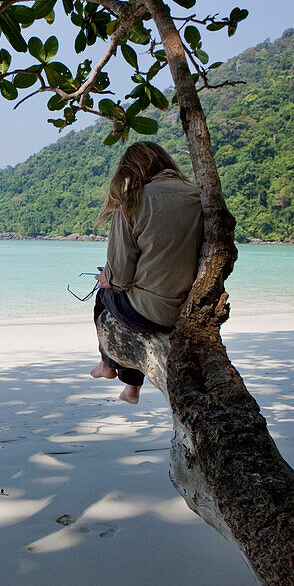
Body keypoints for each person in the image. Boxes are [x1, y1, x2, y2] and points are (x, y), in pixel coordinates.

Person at [89, 141, 203, 404]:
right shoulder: (198, 194)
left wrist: (106, 278)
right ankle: (131, 388)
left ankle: (107, 364)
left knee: (104, 297)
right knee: (121, 298)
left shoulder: (132, 203)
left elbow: (121, 278)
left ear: (131, 172)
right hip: (189, 310)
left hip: (151, 314)